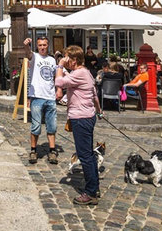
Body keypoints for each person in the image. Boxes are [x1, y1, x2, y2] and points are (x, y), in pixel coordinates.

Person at [55, 45, 103, 206]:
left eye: (68, 57)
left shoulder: (80, 73)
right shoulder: (85, 72)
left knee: (85, 156)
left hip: (81, 118)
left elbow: (59, 81)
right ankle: (94, 187)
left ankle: (90, 192)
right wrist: (99, 110)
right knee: (88, 154)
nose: (66, 60)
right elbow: (94, 95)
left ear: (74, 60)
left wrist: (60, 65)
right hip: (87, 115)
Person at [23, 36, 58, 165]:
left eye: (44, 45)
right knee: (36, 126)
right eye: (40, 45)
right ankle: (33, 150)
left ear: (48, 45)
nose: (42, 47)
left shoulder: (52, 60)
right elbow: (28, 54)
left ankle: (52, 151)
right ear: (37, 46)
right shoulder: (35, 57)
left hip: (50, 97)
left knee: (52, 126)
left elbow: (55, 77)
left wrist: (58, 89)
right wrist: (26, 46)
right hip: (37, 96)